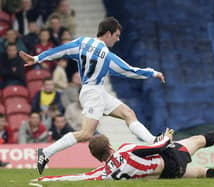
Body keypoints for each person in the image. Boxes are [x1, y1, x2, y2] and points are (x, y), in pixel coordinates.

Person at [19, 17, 165, 175]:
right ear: (108, 33)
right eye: (116, 35)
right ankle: (46, 153)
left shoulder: (82, 42)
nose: (118, 39)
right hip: (93, 93)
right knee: (86, 134)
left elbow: (61, 50)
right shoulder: (106, 56)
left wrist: (37, 58)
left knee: (128, 113)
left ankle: (154, 142)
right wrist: (153, 72)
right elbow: (129, 70)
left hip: (95, 91)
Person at [36, 110, 214, 182]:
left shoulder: (103, 172)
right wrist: (166, 136)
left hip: (168, 175)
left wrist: (47, 180)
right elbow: (157, 147)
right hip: (169, 159)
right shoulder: (127, 150)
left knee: (200, 173)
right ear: (108, 144)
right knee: (197, 140)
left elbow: (80, 177)